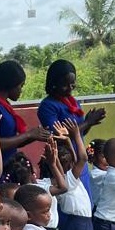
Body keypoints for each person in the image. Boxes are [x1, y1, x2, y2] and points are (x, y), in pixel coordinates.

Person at [38, 60, 105, 203]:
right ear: (54, 83)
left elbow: (79, 134)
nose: (70, 88)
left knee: (85, 203)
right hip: (64, 163)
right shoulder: (48, 106)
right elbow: (59, 135)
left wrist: (89, 123)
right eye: (65, 84)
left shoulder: (73, 102)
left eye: (72, 84)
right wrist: (87, 122)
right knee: (71, 203)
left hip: (80, 159)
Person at [0, 60, 51, 170]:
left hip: (10, 165)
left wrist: (36, 135)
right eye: (20, 86)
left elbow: (14, 142)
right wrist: (28, 135)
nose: (21, 90)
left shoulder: (4, 105)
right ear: (11, 85)